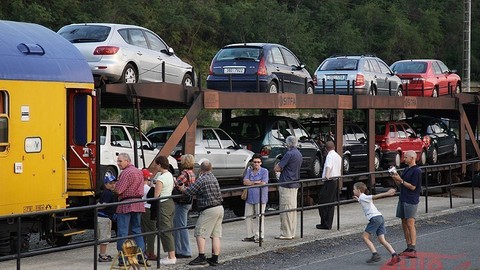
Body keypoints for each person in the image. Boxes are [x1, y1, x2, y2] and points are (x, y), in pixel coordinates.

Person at [179, 160, 224, 266]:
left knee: (199, 232)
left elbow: (190, 191)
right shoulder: (214, 177)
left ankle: (201, 256)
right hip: (219, 207)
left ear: (200, 169)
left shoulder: (202, 179)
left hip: (208, 209)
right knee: (215, 235)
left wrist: (182, 188)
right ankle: (214, 258)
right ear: (211, 168)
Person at [352, 182, 400, 266]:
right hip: (380, 217)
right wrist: (358, 199)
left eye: (354, 189)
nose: (353, 190)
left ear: (358, 190)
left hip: (375, 219)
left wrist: (387, 193)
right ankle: (394, 255)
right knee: (382, 240)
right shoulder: (362, 198)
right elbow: (364, 201)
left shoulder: (363, 197)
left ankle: (375, 254)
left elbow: (374, 196)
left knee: (365, 237)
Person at [114, 153, 148, 267]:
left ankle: (122, 257)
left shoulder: (126, 173)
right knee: (137, 230)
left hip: (126, 203)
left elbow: (119, 190)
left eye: (120, 161)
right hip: (138, 203)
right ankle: (141, 255)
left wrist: (114, 188)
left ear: (127, 161)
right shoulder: (139, 172)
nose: (118, 163)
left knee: (123, 232)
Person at [391, 150, 422, 258]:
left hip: (411, 199)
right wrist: (396, 178)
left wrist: (402, 181)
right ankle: (408, 246)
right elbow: (401, 184)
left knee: (410, 222)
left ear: (412, 158)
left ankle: (412, 247)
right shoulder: (406, 169)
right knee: (404, 222)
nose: (404, 159)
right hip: (403, 197)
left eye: (406, 157)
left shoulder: (417, 171)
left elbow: (413, 186)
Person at [273, 135, 302, 240]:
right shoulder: (298, 153)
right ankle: (292, 231)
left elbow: (278, 168)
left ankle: (286, 233)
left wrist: (276, 165)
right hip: (295, 183)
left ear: (288, 143)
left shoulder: (289, 154)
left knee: (285, 210)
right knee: (292, 210)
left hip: (286, 184)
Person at [152, 156, 177, 265]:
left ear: (159, 165)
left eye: (156, 164)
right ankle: (171, 254)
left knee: (165, 230)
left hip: (163, 205)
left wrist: (152, 186)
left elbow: (156, 195)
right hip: (170, 202)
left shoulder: (160, 179)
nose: (155, 166)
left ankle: (171, 256)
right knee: (169, 229)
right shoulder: (170, 175)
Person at [173, 154, 196, 258]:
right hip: (188, 201)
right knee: (181, 224)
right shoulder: (192, 173)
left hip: (181, 202)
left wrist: (173, 179)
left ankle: (185, 250)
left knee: (181, 225)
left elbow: (176, 184)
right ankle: (180, 249)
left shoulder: (184, 174)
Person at [242, 154, 268, 243]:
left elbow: (263, 183)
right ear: (252, 163)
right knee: (248, 216)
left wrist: (251, 182)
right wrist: (256, 182)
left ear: (261, 163)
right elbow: (245, 181)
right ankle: (250, 235)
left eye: (258, 162)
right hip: (250, 197)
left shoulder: (265, 171)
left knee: (259, 217)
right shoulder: (249, 171)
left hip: (260, 197)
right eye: (255, 162)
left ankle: (260, 236)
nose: (256, 164)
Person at [317, 140, 342, 230]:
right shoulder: (338, 156)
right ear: (334, 147)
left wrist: (327, 175)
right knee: (331, 203)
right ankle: (328, 223)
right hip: (335, 180)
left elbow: (328, 166)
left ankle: (324, 223)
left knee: (322, 202)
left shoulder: (329, 156)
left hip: (329, 181)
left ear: (326, 149)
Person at [97, 173, 117, 263]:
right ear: (105, 184)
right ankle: (102, 255)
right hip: (104, 217)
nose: (113, 185)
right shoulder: (108, 193)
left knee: (106, 236)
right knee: (104, 237)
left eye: (114, 183)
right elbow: (103, 205)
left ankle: (103, 254)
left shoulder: (107, 192)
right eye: (110, 183)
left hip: (105, 217)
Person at [140, 168, 157, 261]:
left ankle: (142, 251)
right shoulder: (147, 188)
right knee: (152, 230)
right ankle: (150, 252)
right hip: (148, 209)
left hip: (141, 209)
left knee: (143, 231)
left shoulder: (139, 187)